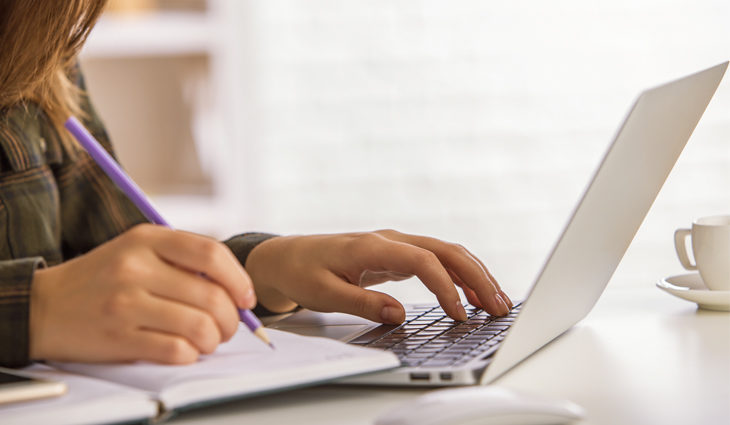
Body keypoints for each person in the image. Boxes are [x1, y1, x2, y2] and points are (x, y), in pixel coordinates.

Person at [0, 0, 512, 368]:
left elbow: (114, 269)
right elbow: (69, 298)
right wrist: (35, 308)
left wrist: (264, 268)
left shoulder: (33, 44)